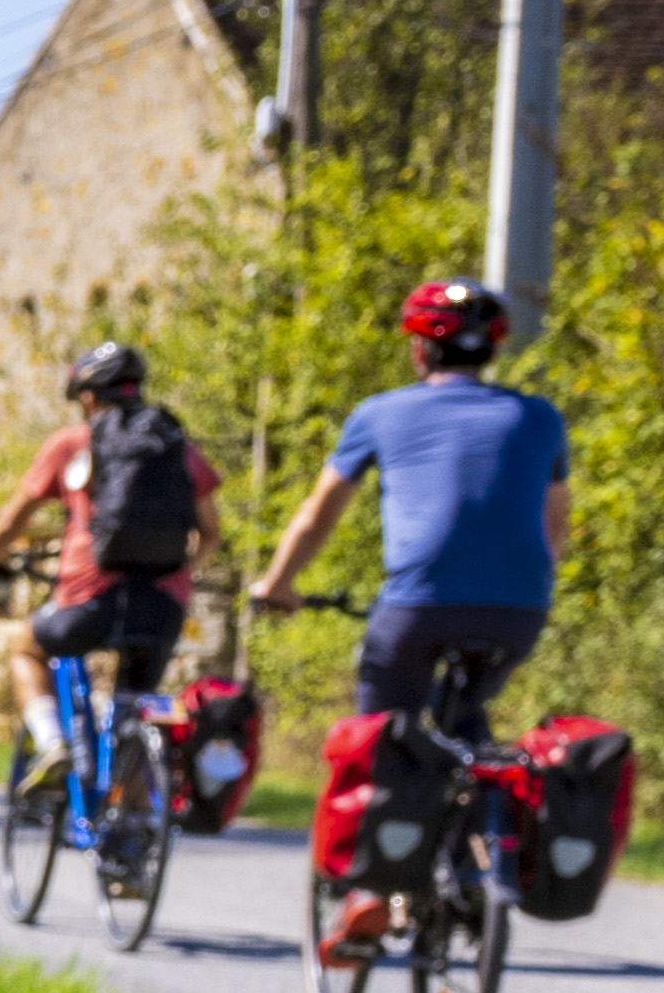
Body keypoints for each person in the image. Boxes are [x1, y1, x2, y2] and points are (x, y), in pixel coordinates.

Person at [238, 278, 576, 745]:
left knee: (385, 733)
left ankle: (388, 801)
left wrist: (277, 585)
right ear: (492, 352)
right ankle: (487, 804)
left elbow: (318, 515)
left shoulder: (381, 413)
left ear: (420, 349)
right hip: (520, 607)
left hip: (420, 603)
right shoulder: (541, 417)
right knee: (465, 710)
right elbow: (554, 527)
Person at [0, 340, 208, 759]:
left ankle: (54, 745)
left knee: (27, 649)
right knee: (135, 709)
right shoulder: (175, 448)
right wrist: (184, 571)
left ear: (87, 397)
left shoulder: (70, 444)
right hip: (163, 603)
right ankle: (139, 814)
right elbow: (212, 533)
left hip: (88, 597)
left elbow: (10, 523)